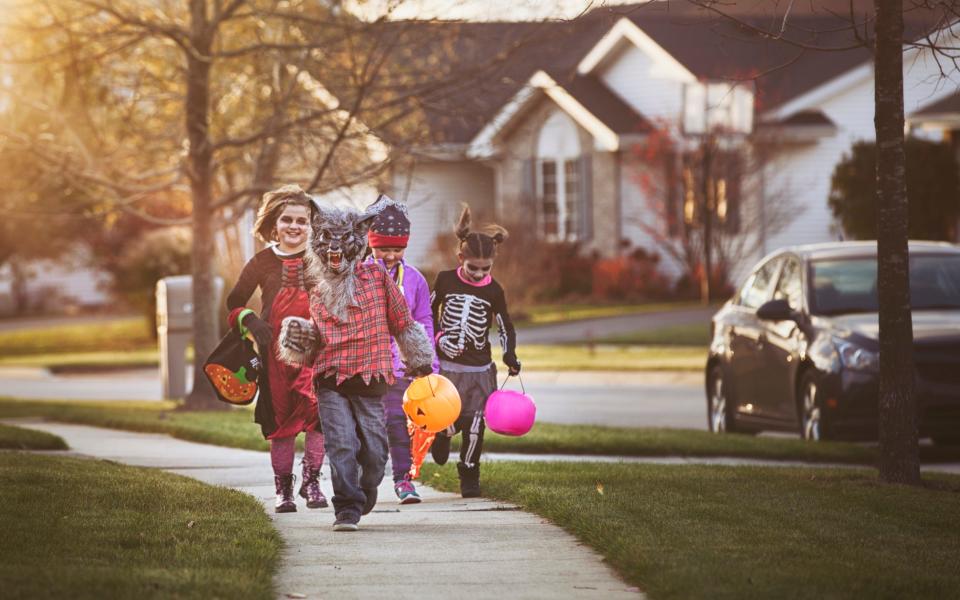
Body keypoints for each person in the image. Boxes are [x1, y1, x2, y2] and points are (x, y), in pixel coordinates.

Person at [276, 195, 435, 531]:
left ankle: (365, 488)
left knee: (375, 454)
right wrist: (300, 338)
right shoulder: (318, 289)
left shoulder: (378, 278)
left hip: (371, 376)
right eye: (327, 244)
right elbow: (318, 338)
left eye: (342, 243)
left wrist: (420, 361)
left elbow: (402, 322)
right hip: (331, 378)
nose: (335, 252)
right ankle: (346, 508)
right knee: (342, 444)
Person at [226, 184, 327, 514]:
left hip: (316, 351)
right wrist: (250, 321)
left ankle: (312, 482)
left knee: (318, 419)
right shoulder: (261, 261)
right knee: (280, 423)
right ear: (274, 224)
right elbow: (234, 301)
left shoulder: (322, 258)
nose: (295, 227)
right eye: (287, 220)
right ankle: (283, 489)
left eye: (302, 221)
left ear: (312, 225)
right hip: (274, 356)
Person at [429, 205, 521, 497]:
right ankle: (442, 435)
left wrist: (510, 355)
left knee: (475, 424)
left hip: (479, 370)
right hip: (447, 367)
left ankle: (469, 472)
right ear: (461, 258)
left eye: (486, 269)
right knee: (448, 416)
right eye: (473, 268)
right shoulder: (445, 280)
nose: (479, 274)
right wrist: (437, 338)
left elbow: (505, 324)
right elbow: (427, 313)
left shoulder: (494, 290)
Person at [365, 199, 438, 504]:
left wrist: (427, 362)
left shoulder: (416, 280)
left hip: (400, 370)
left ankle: (403, 480)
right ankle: (364, 480)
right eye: (384, 249)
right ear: (371, 244)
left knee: (397, 423)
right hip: (367, 368)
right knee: (368, 431)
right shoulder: (361, 274)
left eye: (397, 249)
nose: (391, 255)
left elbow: (424, 322)